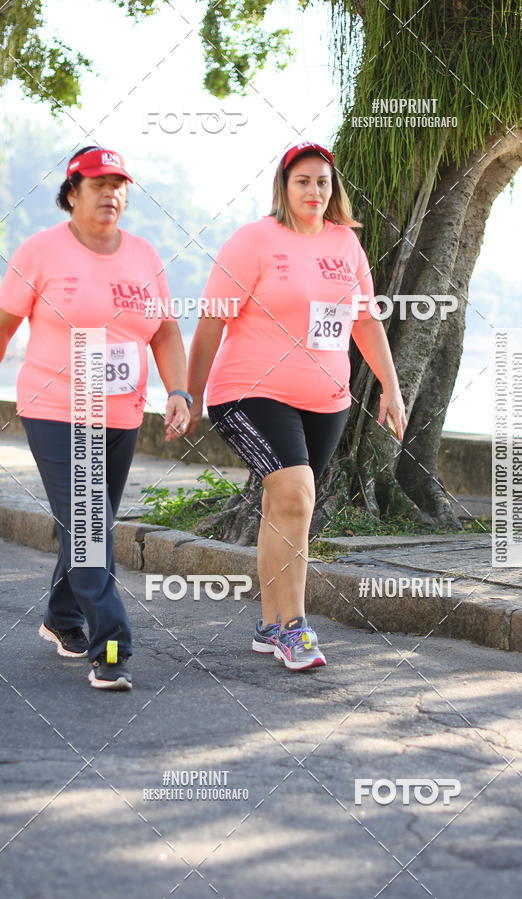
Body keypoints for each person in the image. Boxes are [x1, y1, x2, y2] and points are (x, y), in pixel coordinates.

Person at [187, 141, 407, 671]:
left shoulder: (345, 244)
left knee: (284, 507)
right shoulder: (254, 241)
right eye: (302, 180)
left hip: (327, 400)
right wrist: (188, 394)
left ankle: (268, 624)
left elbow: (364, 321)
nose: (314, 190)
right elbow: (212, 320)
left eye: (323, 181)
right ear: (284, 187)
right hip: (249, 392)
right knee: (297, 495)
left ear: (334, 189)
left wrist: (391, 387)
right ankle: (295, 627)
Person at [0, 146, 191, 690]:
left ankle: (61, 619)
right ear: (72, 193)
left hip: (122, 413)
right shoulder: (41, 252)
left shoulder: (144, 256)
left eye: (118, 185)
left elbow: (165, 333)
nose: (111, 193)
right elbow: (4, 326)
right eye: (98, 184)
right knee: (89, 526)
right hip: (57, 409)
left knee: (89, 526)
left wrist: (178, 390)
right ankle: (112, 646)